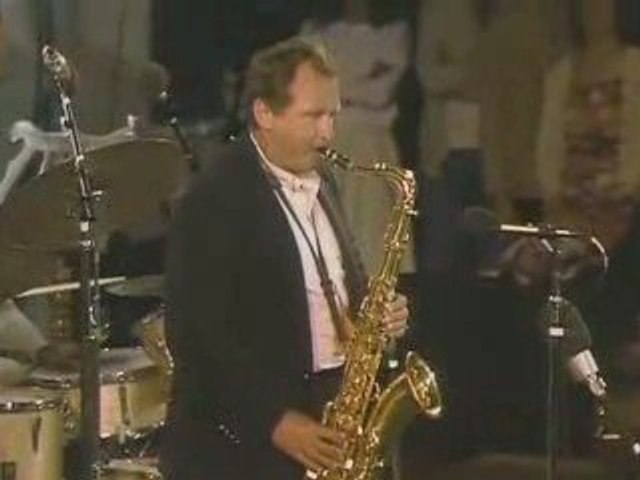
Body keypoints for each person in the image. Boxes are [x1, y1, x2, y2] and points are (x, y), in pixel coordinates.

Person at [160, 37, 410, 480]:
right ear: (264, 113)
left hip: (326, 409)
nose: (328, 133)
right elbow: (195, 336)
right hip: (246, 446)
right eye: (314, 116)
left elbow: (328, 284)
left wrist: (376, 314)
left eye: (333, 115)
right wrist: (274, 421)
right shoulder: (213, 196)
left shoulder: (324, 178)